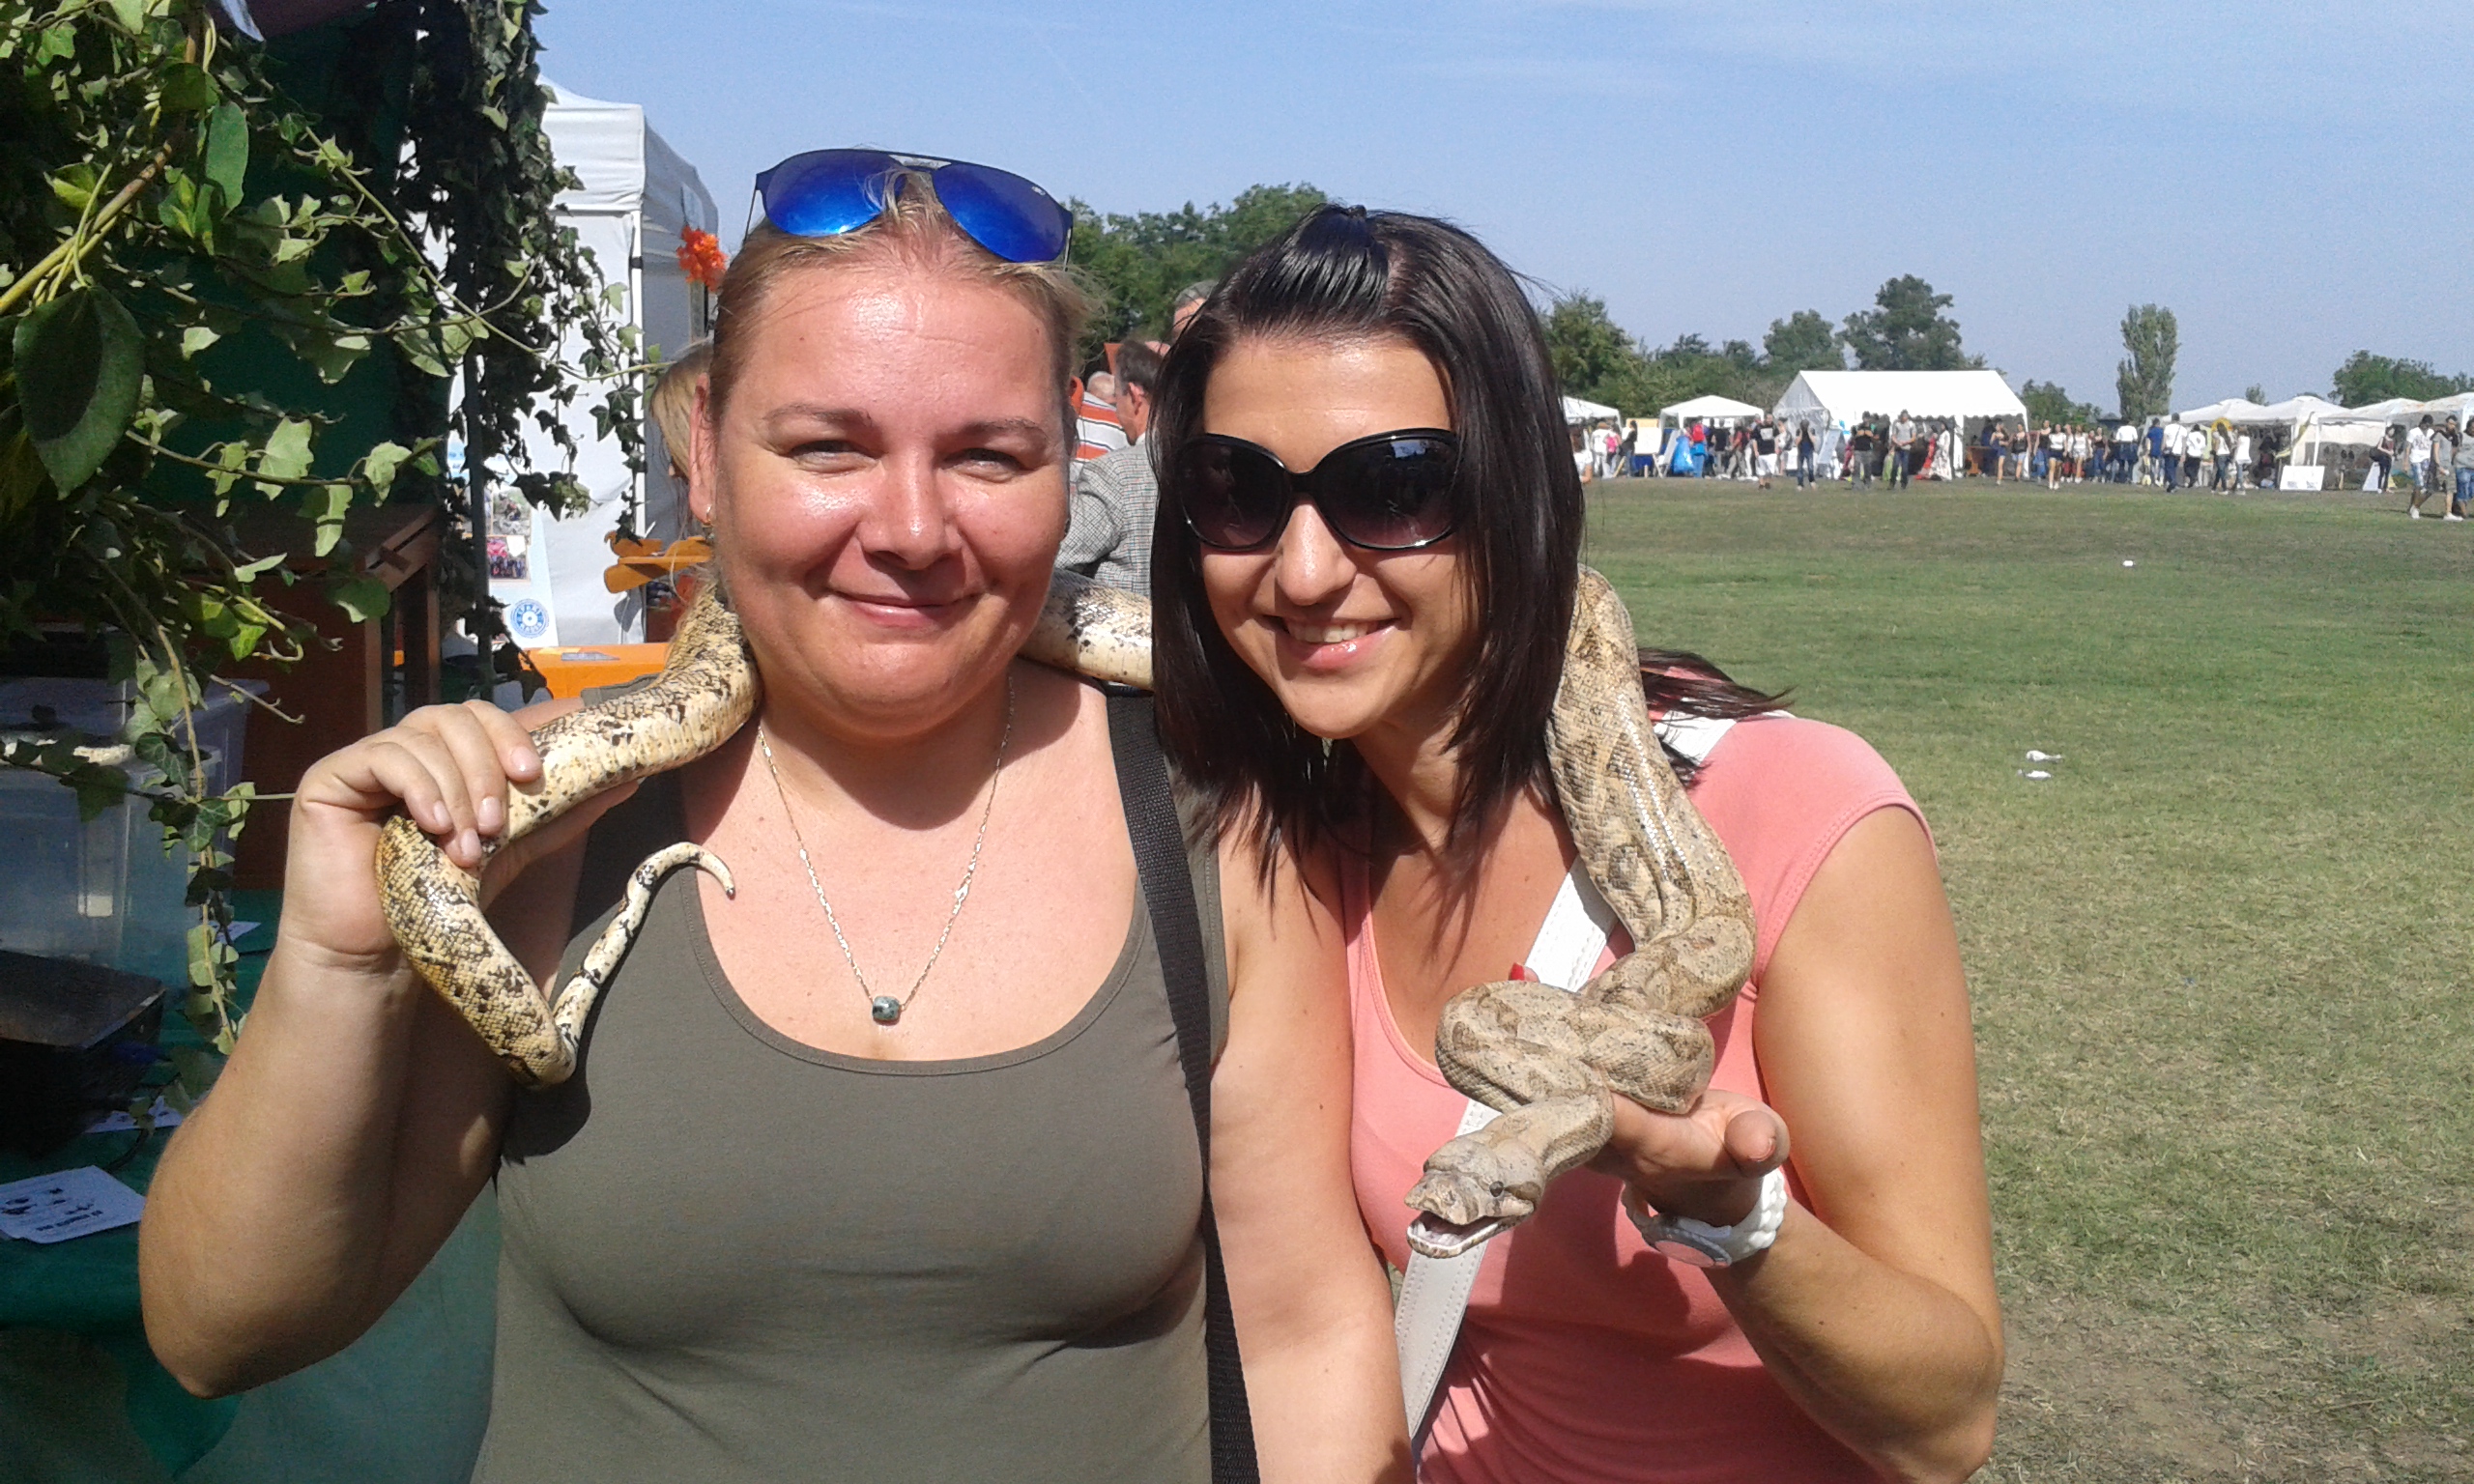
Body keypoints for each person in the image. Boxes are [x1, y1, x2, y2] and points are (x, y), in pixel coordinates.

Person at [138, 157, 1403, 1483]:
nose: (910, 529)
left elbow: (1308, 1333)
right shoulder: (534, 821)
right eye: (827, 447)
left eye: (988, 455)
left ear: (1065, 471)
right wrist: (344, 961)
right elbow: (220, 1334)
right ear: (706, 456)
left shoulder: (1212, 813)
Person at [1147, 204, 2001, 1484]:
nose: (1306, 570)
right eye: (1239, 491)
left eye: (1393, 489)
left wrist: (1733, 1219)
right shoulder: (1295, 854)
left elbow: (1946, 1428)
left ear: (1519, 493)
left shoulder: (1793, 814)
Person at [1059, 338, 1167, 593]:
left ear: (1135, 396)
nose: (1117, 413)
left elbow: (1057, 557)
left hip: (1127, 616)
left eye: (1118, 398)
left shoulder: (1115, 474)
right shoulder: (1201, 464)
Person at [1887, 410, 1915, 489]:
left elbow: (1913, 437)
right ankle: (1892, 483)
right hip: (1898, 448)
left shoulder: (1911, 425)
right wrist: (1897, 442)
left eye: (1905, 417)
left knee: (1905, 468)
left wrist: (1906, 442)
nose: (1903, 418)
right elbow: (1893, 436)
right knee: (1895, 466)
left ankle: (1904, 483)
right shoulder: (1897, 424)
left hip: (1906, 449)